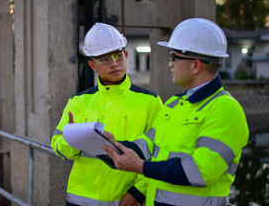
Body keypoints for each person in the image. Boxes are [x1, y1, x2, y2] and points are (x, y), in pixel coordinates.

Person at [103, 18, 249, 206]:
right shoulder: (173, 105)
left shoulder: (226, 109)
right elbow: (147, 146)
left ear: (195, 65)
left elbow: (201, 171)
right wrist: (110, 145)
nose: (169, 64)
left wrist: (141, 167)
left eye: (174, 57)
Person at [51, 22, 163, 206]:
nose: (114, 63)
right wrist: (72, 139)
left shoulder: (150, 102)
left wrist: (138, 193)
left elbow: (161, 153)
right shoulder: (79, 102)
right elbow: (57, 145)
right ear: (92, 65)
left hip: (127, 201)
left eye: (118, 56)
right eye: (105, 59)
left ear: (126, 55)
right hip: (81, 201)